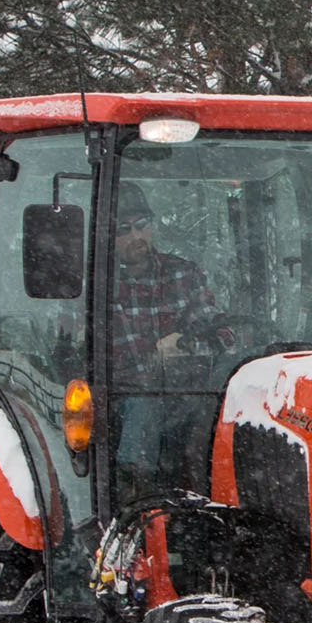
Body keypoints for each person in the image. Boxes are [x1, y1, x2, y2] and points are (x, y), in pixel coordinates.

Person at [111, 182, 232, 495]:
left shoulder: (182, 273)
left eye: (142, 225)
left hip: (189, 391)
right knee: (145, 402)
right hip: (126, 397)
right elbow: (100, 356)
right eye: (124, 229)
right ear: (109, 237)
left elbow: (220, 333)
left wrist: (185, 343)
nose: (137, 236)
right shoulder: (101, 284)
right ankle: (137, 496)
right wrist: (152, 355)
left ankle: (222, 500)